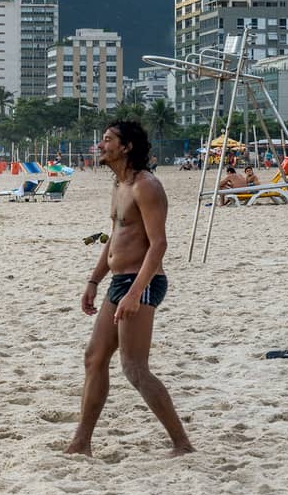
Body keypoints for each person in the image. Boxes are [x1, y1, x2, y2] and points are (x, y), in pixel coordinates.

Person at [66, 122, 193, 457]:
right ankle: (82, 442)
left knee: (134, 367)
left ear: (126, 147)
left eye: (107, 140)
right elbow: (114, 239)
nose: (100, 145)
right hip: (119, 280)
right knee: (94, 358)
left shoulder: (146, 186)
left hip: (144, 281)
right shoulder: (119, 185)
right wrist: (94, 280)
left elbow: (158, 245)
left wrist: (135, 293)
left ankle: (182, 444)